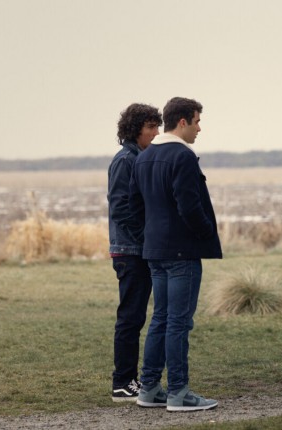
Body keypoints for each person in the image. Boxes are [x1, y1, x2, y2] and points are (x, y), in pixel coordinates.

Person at [133, 97, 222, 412]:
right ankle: (179, 393)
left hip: (154, 250)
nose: (199, 128)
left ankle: (149, 388)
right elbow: (189, 206)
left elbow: (136, 206)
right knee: (178, 322)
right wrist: (206, 232)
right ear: (182, 122)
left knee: (160, 318)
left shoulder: (145, 156)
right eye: (197, 121)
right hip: (182, 251)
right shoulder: (182, 156)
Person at [107, 103, 162, 402]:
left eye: (157, 126)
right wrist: (146, 237)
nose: (156, 133)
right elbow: (120, 209)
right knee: (130, 317)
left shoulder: (139, 157)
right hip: (130, 252)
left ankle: (131, 380)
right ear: (135, 129)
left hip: (139, 249)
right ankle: (123, 382)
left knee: (136, 316)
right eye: (151, 127)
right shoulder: (125, 160)